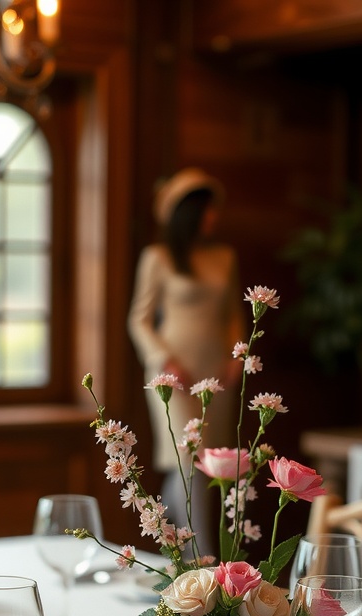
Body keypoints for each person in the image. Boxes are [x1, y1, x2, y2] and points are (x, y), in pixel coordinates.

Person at [127, 167, 245, 555]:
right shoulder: (157, 258)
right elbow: (139, 320)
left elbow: (233, 316)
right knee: (186, 458)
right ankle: (204, 558)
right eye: (206, 211)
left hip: (219, 376)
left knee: (208, 465)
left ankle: (172, 548)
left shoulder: (225, 257)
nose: (214, 218)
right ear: (186, 214)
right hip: (173, 375)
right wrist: (164, 359)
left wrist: (238, 355)